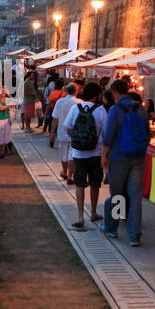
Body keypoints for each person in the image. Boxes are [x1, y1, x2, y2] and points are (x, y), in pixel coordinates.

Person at [101, 80, 150, 246]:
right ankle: (134, 236)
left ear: (115, 92)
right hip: (138, 158)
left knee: (117, 194)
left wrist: (104, 156)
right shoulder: (141, 109)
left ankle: (112, 229)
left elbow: (108, 136)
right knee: (135, 197)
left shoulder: (115, 110)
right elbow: (147, 134)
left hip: (118, 157)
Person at [61, 82, 107, 230]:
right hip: (96, 153)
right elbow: (106, 133)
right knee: (95, 184)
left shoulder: (76, 108)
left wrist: (77, 137)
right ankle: (93, 212)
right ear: (96, 95)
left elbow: (67, 128)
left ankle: (80, 216)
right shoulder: (101, 111)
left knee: (79, 184)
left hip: (78, 154)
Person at [51, 83, 79, 184]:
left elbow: (55, 118)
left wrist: (52, 132)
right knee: (73, 153)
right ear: (76, 91)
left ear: (66, 91)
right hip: (75, 132)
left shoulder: (60, 102)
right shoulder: (79, 102)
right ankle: (71, 175)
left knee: (63, 153)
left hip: (62, 130)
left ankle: (65, 172)